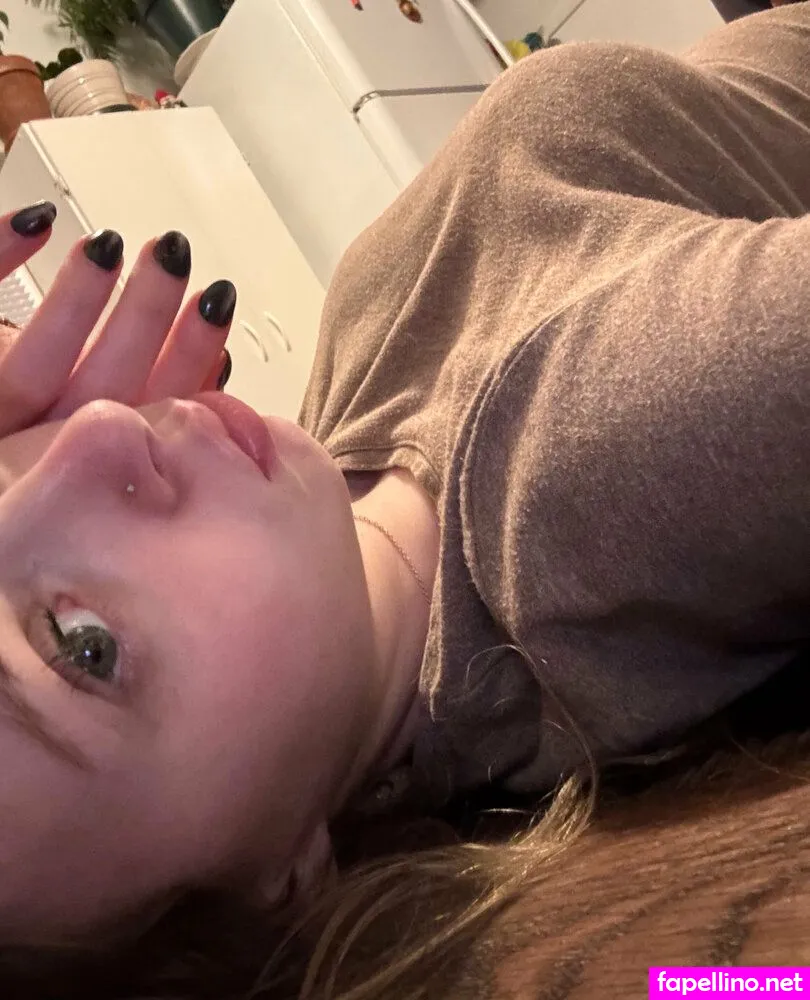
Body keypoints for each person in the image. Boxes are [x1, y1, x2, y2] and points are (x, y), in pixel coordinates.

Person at [0, 2, 808, 996]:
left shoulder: (344, 453)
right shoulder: (609, 459)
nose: (94, 432)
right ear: (278, 884)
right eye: (85, 646)